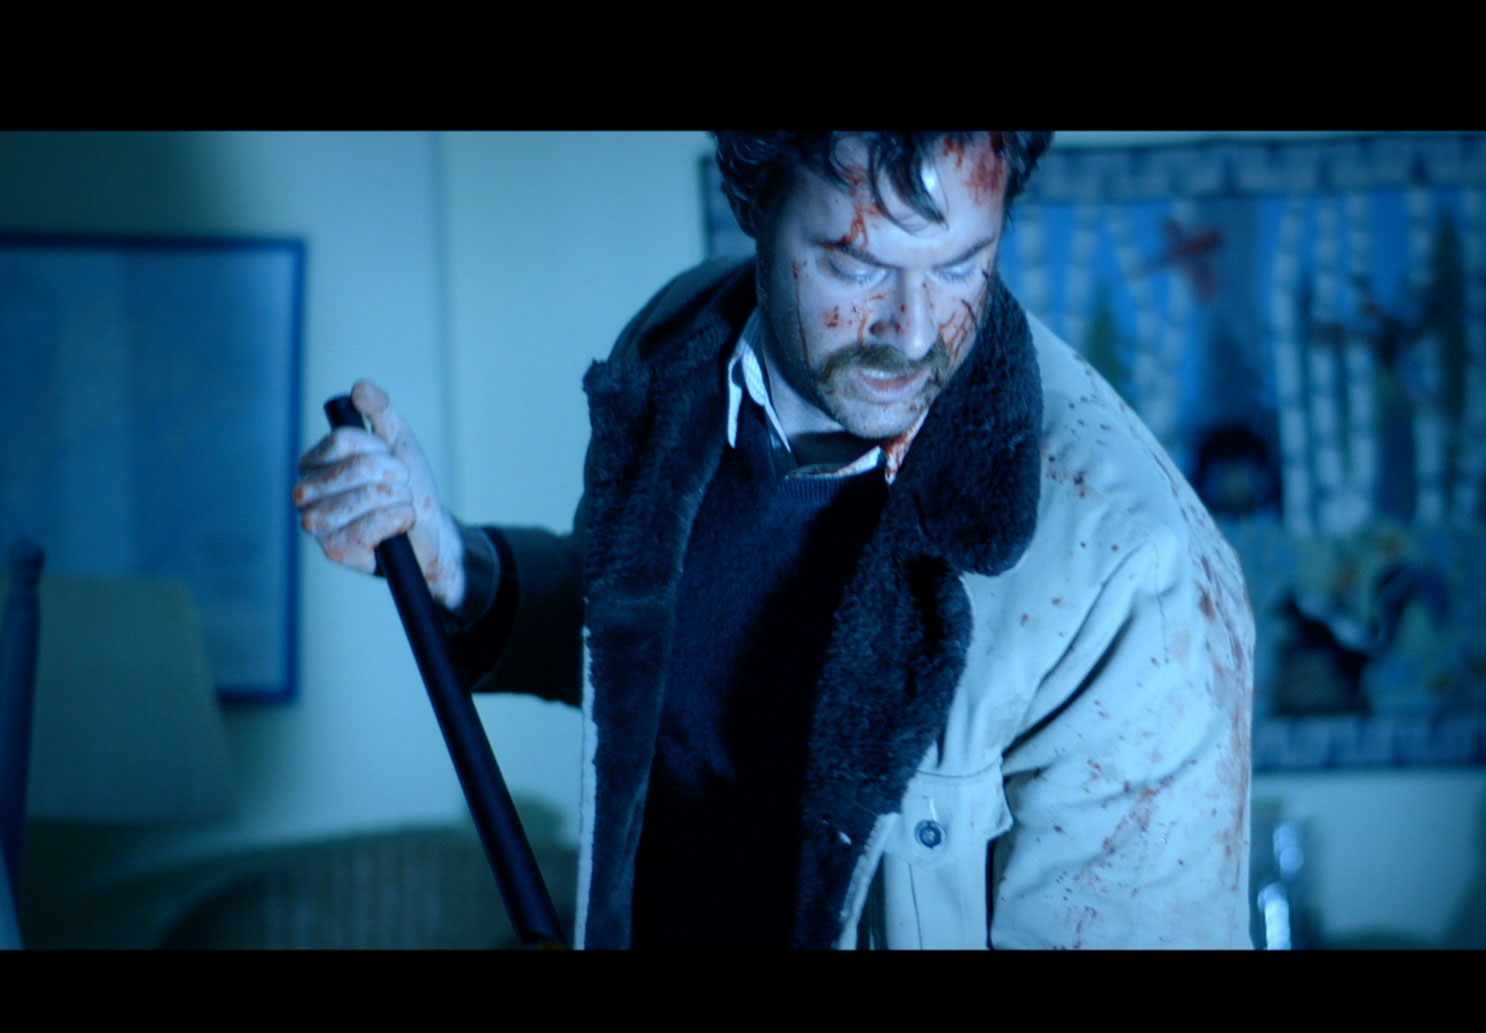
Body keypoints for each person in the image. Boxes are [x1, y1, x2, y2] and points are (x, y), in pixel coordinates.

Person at [294, 131, 1255, 949]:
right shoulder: (677, 344)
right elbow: (644, 650)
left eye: (961, 265)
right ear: (753, 202)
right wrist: (453, 565)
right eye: (857, 265)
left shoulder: (1135, 575)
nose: (912, 332)